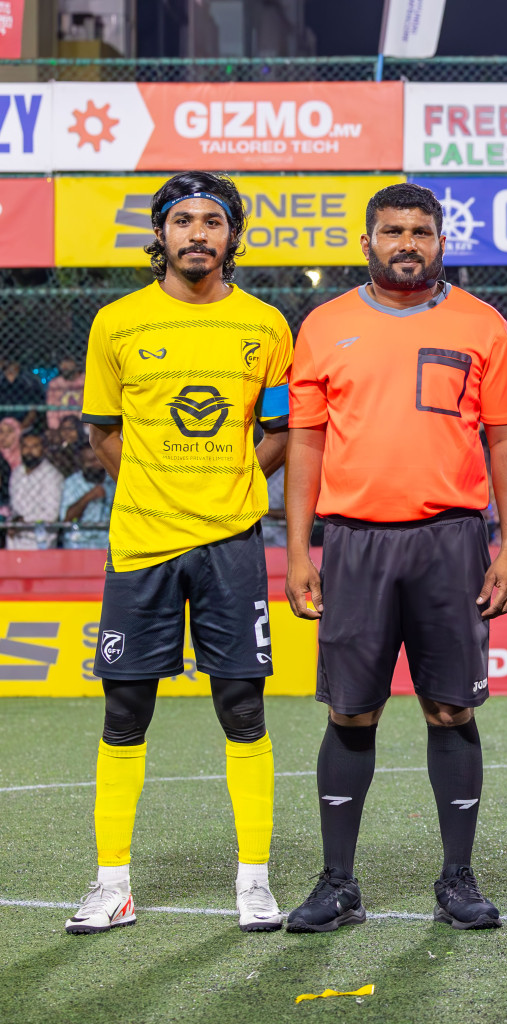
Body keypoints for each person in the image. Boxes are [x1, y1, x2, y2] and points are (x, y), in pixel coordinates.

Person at [283, 182, 507, 933]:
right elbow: (307, 443)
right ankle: (337, 884)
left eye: (422, 230)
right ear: (367, 243)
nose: (408, 242)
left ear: (441, 242)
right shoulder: (325, 326)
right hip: (354, 541)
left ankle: (457, 880)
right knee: (350, 710)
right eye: (393, 231)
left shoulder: (483, 325)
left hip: (450, 539)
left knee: (450, 707)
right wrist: (297, 551)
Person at [66, 171, 292, 935]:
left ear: (233, 236)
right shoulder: (117, 322)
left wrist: (228, 482)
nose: (199, 233)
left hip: (231, 543)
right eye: (184, 220)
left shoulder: (267, 326)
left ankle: (254, 881)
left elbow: (281, 428)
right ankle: (111, 885)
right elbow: (101, 430)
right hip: (141, 546)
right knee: (125, 709)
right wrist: (159, 487)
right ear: (159, 233)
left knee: (243, 706)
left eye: (213, 221)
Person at [8, 430, 64, 550]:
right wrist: (13, 522)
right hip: (16, 540)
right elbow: (14, 507)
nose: (29, 451)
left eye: (34, 447)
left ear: (43, 449)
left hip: (40, 540)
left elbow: (51, 514)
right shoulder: (17, 473)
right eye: (25, 446)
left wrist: (24, 520)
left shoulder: (52, 475)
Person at [59, 441, 114, 549]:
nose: (96, 464)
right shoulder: (72, 483)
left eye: (99, 460)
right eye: (90, 461)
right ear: (81, 463)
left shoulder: (113, 481)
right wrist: (88, 497)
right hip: (78, 542)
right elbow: (67, 518)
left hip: (106, 542)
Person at [0, 361, 43, 432]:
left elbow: (33, 411)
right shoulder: (1, 381)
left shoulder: (30, 382)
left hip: (24, 427)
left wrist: (20, 428)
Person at [47, 354, 86, 430]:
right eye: (61, 363)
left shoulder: (87, 380)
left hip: (83, 424)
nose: (63, 366)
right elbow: (52, 409)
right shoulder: (55, 383)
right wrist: (55, 428)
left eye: (67, 362)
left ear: (76, 363)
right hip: (62, 425)